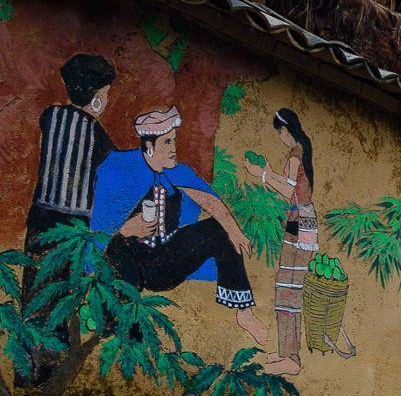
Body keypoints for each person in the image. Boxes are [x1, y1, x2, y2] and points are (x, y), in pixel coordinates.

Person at [92, 107, 267, 348]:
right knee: (118, 247)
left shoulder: (177, 173)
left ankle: (244, 312)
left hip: (162, 263)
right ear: (150, 147)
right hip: (130, 263)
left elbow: (210, 201)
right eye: (167, 142)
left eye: (174, 141)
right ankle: (120, 320)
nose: (173, 148)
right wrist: (126, 230)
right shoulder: (123, 170)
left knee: (218, 229)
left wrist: (235, 232)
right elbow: (100, 227)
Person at [258, 108, 336, 374]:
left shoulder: (296, 153)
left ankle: (290, 359)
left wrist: (263, 176)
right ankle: (287, 354)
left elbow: (288, 190)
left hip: (299, 225)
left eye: (279, 131)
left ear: (286, 129)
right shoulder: (303, 149)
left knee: (288, 288)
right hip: (303, 222)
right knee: (288, 287)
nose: (279, 137)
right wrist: (268, 172)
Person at [28, 54, 117, 251]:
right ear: (96, 98)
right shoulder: (96, 132)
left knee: (37, 274)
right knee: (69, 277)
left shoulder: (49, 115)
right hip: (75, 219)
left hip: (40, 214)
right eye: (105, 94)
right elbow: (114, 167)